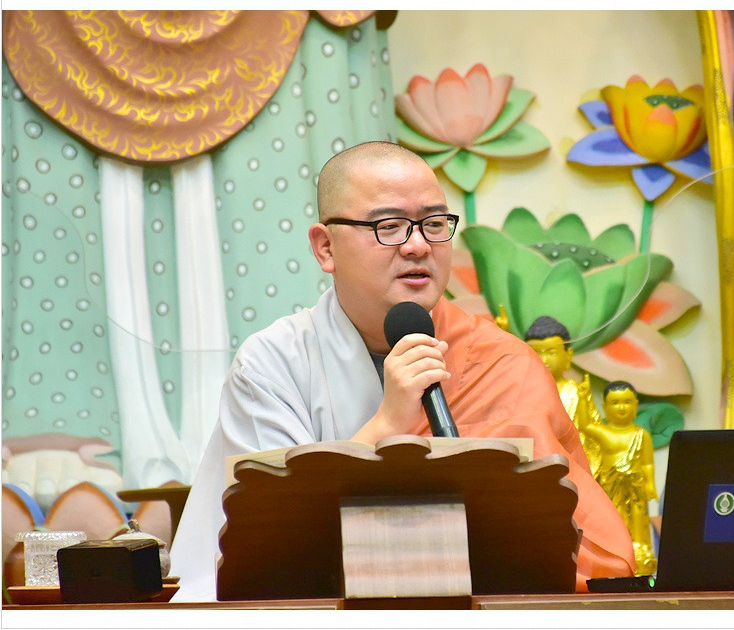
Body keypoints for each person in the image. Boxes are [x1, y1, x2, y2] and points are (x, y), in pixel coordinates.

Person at [169, 141, 635, 601]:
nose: (417, 246)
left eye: (434, 224)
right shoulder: (274, 364)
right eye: (389, 226)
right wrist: (388, 424)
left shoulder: (503, 362)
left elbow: (581, 548)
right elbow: (272, 546)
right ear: (326, 247)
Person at [525, 315, 605, 478]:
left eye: (551, 352)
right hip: (533, 469)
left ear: (568, 354)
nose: (544, 360)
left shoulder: (577, 392)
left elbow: (591, 436)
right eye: (536, 353)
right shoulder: (523, 393)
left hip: (570, 468)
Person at [596, 381, 658, 575]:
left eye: (627, 402)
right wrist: (582, 398)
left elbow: (647, 463)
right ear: (605, 406)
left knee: (638, 520)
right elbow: (584, 425)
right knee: (612, 519)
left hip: (636, 487)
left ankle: (639, 550)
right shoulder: (602, 432)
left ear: (636, 404)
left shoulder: (642, 435)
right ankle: (611, 551)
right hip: (610, 486)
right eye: (615, 403)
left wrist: (650, 484)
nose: (622, 407)